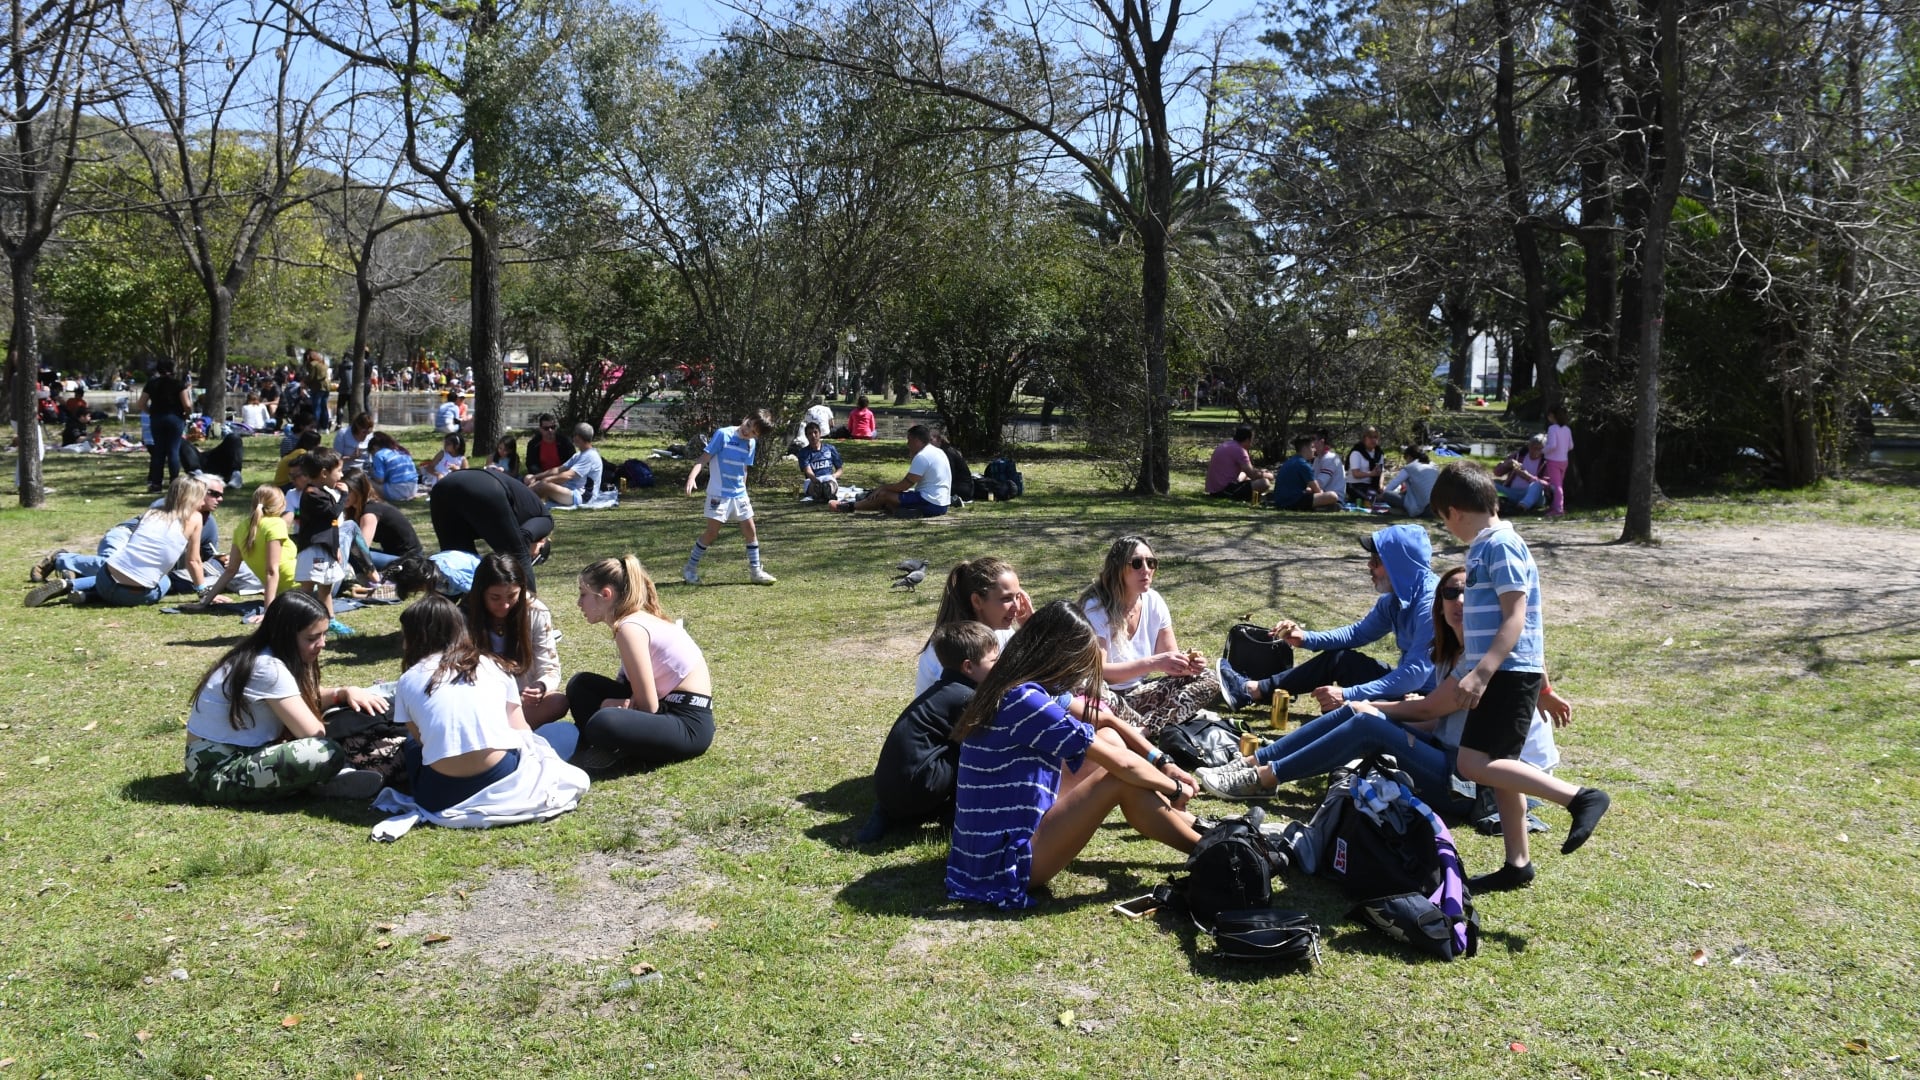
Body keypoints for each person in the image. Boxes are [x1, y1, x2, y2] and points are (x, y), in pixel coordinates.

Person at [1198, 566, 1568, 805]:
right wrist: (1370, 709)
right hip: (1452, 754)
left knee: (1363, 719)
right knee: (1358, 712)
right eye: (1450, 593)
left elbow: (1427, 709)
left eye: (1468, 592)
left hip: (1479, 784)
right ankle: (1254, 761)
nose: (1459, 600)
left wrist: (1371, 707)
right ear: (1438, 605)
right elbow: (1436, 723)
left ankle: (1264, 777)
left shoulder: (1481, 657)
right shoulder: (1448, 651)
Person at [945, 601, 1204, 911]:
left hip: (987, 846)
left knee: (1108, 740)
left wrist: (1163, 762)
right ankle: (1209, 851)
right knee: (1118, 780)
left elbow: (1106, 722)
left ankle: (1201, 828)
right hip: (1004, 863)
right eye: (1079, 661)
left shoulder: (1013, 684)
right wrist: (1173, 788)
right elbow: (1120, 765)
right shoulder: (1026, 701)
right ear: (1057, 654)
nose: (1080, 672)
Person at [1430, 460, 1609, 891]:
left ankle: (1579, 797)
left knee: (1473, 763)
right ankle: (1517, 864)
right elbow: (1531, 629)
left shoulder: (1500, 546)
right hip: (1510, 671)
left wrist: (1482, 673)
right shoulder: (1490, 546)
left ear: (1453, 511)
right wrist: (1543, 686)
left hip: (1504, 672)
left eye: (1443, 520)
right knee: (1499, 766)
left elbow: (1517, 617)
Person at [384, 595, 586, 822]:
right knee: (566, 733)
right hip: (501, 775)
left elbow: (422, 741)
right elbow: (522, 732)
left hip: (440, 795)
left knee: (410, 745)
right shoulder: (493, 665)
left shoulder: (408, 679)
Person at [182, 591, 390, 803]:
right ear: (286, 635)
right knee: (324, 751)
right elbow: (313, 733)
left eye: (324, 634)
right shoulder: (268, 668)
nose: (323, 643)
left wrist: (342, 694)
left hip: (216, 760)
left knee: (335, 723)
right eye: (312, 638)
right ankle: (326, 780)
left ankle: (326, 778)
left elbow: (300, 698)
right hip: (213, 773)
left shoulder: (261, 654)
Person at [1219, 523, 1439, 713]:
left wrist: (1347, 694)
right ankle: (1252, 690)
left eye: (1376, 561)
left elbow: (1414, 675)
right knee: (1340, 659)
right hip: (1410, 688)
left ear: (1399, 565)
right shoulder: (1395, 599)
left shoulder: (1432, 605)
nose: (1369, 566)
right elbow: (1358, 633)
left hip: (1429, 701)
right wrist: (1305, 638)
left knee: (1358, 714)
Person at [565, 555, 716, 772]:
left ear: (605, 594)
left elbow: (649, 706)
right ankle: (606, 745)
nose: (579, 603)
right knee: (581, 685)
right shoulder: (634, 620)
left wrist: (611, 705)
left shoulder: (629, 628)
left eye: (583, 594)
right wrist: (621, 702)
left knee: (603, 721)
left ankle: (613, 748)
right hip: (668, 707)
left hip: (688, 724)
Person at [858, 621, 1000, 843]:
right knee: (976, 751)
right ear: (968, 667)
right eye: (994, 661)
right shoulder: (965, 697)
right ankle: (956, 816)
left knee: (951, 747)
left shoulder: (942, 691)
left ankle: (888, 814)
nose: (999, 666)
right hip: (920, 787)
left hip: (887, 790)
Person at [1076, 536, 1217, 736]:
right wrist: (1153, 663)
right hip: (1106, 696)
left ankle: (1143, 730)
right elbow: (1100, 672)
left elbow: (1170, 658)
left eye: (1151, 563)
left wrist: (1186, 665)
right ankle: (1149, 724)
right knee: (1089, 691)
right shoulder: (1096, 608)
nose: (1146, 569)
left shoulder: (1154, 601)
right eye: (1136, 563)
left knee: (1208, 677)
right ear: (1118, 569)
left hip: (1138, 693)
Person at [26, 474, 209, 608]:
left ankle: (71, 586)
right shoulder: (194, 519)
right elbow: (194, 561)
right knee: (165, 582)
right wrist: (204, 593)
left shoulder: (152, 512)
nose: (204, 501)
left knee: (118, 575)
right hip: (134, 595)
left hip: (105, 578)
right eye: (203, 496)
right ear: (193, 498)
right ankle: (83, 594)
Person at [463, 553, 568, 728]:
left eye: (512, 596)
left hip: (519, 701)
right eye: (495, 598)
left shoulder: (536, 612)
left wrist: (541, 686)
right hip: (479, 699)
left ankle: (500, 730)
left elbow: (549, 664)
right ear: (481, 593)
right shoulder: (464, 616)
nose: (504, 605)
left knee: (557, 702)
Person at [913, 556, 1035, 696]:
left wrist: (1031, 629)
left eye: (1018, 597)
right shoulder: (952, 648)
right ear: (977, 601)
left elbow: (1033, 675)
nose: (1017, 606)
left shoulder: (1002, 631)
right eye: (1006, 598)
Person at [682, 410, 778, 585]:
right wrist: (691, 477)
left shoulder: (751, 444)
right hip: (719, 495)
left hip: (740, 495)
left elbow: (744, 469)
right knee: (712, 533)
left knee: (751, 531)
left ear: (757, 435)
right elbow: (704, 458)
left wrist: (744, 490)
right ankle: (690, 568)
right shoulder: (723, 434)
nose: (747, 431)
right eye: (748, 425)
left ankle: (756, 571)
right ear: (745, 418)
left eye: (753, 432)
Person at [429, 466, 555, 589]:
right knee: (517, 553)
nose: (530, 559)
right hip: (482, 486)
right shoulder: (546, 520)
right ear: (541, 541)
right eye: (534, 557)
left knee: (456, 565)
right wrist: (530, 596)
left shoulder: (509, 518)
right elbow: (521, 541)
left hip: (444, 487)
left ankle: (439, 609)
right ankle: (529, 607)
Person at [187, 484, 295, 623]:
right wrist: (268, 613)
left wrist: (205, 602)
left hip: (283, 594)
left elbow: (230, 570)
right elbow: (272, 571)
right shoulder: (276, 524)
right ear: (280, 505)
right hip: (300, 588)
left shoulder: (242, 527)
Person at [291, 449, 353, 636]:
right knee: (308, 587)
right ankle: (299, 622)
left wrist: (335, 548)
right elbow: (333, 515)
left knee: (326, 587)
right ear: (324, 473)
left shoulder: (322, 492)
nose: (341, 475)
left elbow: (330, 525)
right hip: (314, 550)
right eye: (339, 471)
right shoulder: (312, 494)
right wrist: (344, 496)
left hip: (325, 548)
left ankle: (329, 620)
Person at [829, 424, 950, 517]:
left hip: (930, 503)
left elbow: (904, 486)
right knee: (889, 500)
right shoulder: (936, 451)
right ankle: (900, 511)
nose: (907, 443)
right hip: (942, 504)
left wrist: (883, 488)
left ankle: (849, 507)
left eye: (909, 439)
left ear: (917, 440)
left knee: (884, 495)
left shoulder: (923, 456)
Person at [343, 472, 425, 577]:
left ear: (358, 490)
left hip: (410, 562)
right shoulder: (356, 510)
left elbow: (361, 550)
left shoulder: (370, 512)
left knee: (352, 553)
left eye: (347, 491)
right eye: (340, 491)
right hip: (395, 557)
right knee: (348, 550)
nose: (343, 495)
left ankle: (368, 582)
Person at [135, 358, 192, 492]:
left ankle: (156, 483)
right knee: (173, 450)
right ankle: (174, 483)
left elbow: (140, 404)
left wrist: (151, 413)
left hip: (157, 418)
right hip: (175, 418)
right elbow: (187, 405)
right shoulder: (178, 384)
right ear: (172, 369)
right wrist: (186, 415)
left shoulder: (152, 384)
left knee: (158, 451)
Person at [525, 423, 602, 507]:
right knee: (532, 480)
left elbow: (568, 475)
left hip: (582, 497)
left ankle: (519, 499)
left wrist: (546, 480)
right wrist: (535, 477)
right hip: (570, 490)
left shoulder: (590, 456)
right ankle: (521, 498)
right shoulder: (579, 455)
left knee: (542, 485)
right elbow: (559, 469)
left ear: (578, 437)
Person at [1267, 433, 1340, 511]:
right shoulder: (1303, 464)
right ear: (1305, 448)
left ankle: (1318, 507)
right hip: (1293, 501)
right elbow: (1317, 490)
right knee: (1333, 496)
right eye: (1312, 447)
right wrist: (1321, 492)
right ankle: (1318, 508)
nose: (1314, 450)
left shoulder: (1291, 461)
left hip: (1280, 501)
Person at [1204, 425, 1271, 500]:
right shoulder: (1240, 450)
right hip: (1224, 491)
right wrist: (1269, 475)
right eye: (1252, 439)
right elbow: (1253, 474)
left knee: (1245, 475)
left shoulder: (1227, 444)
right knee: (1264, 483)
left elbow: (1248, 472)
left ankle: (1253, 497)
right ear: (1248, 439)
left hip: (1215, 490)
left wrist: (1261, 472)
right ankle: (1254, 499)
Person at [1379, 445, 1440, 517]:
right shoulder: (1433, 465)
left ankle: (1404, 511)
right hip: (1438, 508)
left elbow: (1394, 483)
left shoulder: (1410, 467)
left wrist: (1381, 495)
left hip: (1424, 510)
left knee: (1388, 495)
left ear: (1409, 457)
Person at [1493, 435, 1549, 512]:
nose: (1535, 451)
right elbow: (1497, 473)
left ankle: (1522, 507)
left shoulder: (1546, 462)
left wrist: (1527, 476)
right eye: (1533, 448)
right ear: (1529, 446)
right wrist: (1505, 465)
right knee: (1490, 483)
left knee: (1537, 485)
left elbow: (1547, 484)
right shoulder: (1518, 456)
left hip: (1533, 495)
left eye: (1539, 449)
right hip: (1511, 492)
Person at [365, 431, 419, 502]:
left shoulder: (378, 455)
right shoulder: (400, 451)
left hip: (398, 491)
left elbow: (380, 480)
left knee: (364, 479)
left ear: (374, 447)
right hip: (413, 489)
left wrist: (371, 472)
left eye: (371, 453)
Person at [797, 421, 842, 502]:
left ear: (820, 433)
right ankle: (821, 495)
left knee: (830, 485)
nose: (813, 436)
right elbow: (808, 470)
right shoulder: (803, 452)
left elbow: (840, 469)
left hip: (829, 478)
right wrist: (815, 480)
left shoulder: (830, 448)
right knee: (816, 488)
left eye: (815, 432)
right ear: (806, 436)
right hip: (812, 480)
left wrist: (834, 476)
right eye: (810, 433)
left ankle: (827, 494)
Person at [1543, 403, 1573, 518]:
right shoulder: (1567, 429)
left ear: (1552, 416)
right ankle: (1555, 505)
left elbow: (1552, 445)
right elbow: (1571, 446)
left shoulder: (1552, 429)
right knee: (1558, 484)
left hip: (1553, 461)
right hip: (1564, 461)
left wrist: (1543, 451)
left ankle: (1558, 509)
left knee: (1556, 486)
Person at [1347, 426, 1385, 501]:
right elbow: (1356, 474)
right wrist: (1371, 473)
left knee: (1387, 495)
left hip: (1372, 486)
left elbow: (1381, 472)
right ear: (1364, 438)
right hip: (1355, 485)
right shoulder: (1356, 453)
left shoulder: (1379, 453)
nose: (1373, 440)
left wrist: (1380, 485)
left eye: (1376, 437)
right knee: (1376, 499)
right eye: (1370, 437)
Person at [1312, 430, 1348, 503]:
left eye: (1313, 440)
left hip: (1335, 498)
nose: (1311, 443)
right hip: (1321, 493)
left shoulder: (1330, 458)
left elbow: (1320, 483)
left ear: (1321, 442)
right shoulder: (1317, 459)